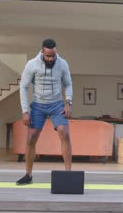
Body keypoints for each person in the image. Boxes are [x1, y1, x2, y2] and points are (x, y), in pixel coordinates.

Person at [16, 38, 73, 185]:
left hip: (56, 105)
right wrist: (25, 111)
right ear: (42, 52)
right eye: (48, 55)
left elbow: (67, 84)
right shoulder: (31, 64)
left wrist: (69, 103)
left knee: (64, 133)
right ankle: (28, 175)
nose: (51, 58)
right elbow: (23, 87)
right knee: (31, 137)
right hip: (38, 105)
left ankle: (69, 174)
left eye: (53, 55)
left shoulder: (62, 63)